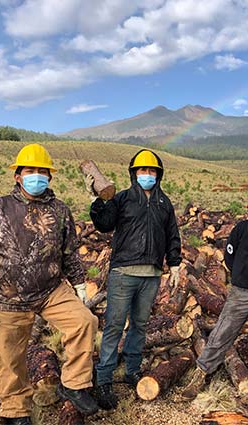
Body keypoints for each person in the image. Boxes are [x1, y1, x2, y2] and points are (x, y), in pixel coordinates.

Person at [0, 144, 99, 425]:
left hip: (51, 289)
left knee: (84, 321)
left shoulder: (60, 210)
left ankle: (73, 384)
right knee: (9, 357)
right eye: (30, 171)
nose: (36, 176)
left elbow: (70, 252)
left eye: (42, 172)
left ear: (50, 177)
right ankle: (16, 410)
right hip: (7, 296)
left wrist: (79, 284)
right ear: (17, 175)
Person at [85, 149, 182, 410]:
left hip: (151, 275)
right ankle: (104, 379)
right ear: (133, 173)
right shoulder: (123, 199)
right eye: (142, 171)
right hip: (123, 272)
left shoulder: (164, 203)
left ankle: (132, 371)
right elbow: (104, 224)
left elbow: (172, 234)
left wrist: (174, 265)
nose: (147, 175)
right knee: (115, 325)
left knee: (140, 324)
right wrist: (97, 200)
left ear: (158, 174)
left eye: (152, 171)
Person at [180, 187, 248, 404]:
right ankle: (200, 375)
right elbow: (229, 256)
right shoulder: (242, 229)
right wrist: (241, 275)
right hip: (240, 292)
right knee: (222, 332)